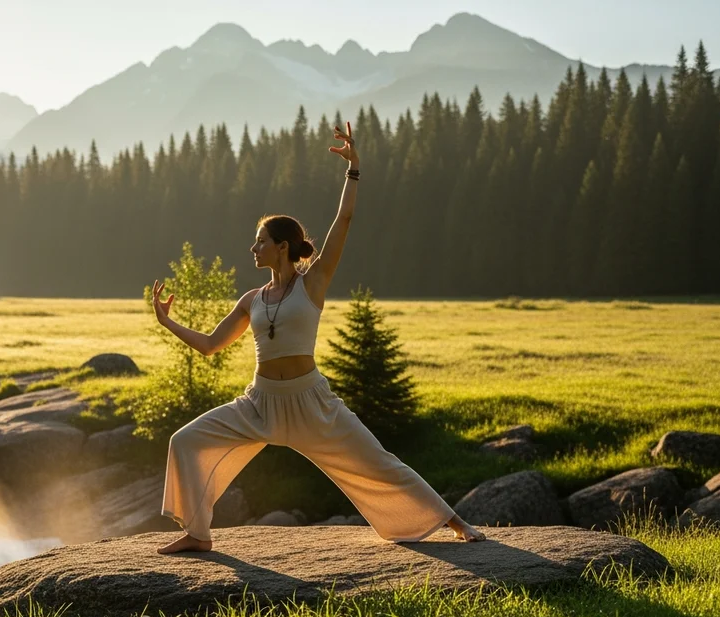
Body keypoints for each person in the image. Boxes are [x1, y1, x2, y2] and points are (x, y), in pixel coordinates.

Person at [150, 122, 486, 554]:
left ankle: (454, 521)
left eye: (261, 242)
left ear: (284, 247)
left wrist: (354, 170)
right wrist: (168, 323)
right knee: (185, 440)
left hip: (312, 403)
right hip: (259, 402)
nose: (253, 249)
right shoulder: (252, 298)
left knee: (378, 461)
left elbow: (343, 220)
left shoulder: (313, 284)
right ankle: (199, 534)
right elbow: (212, 345)